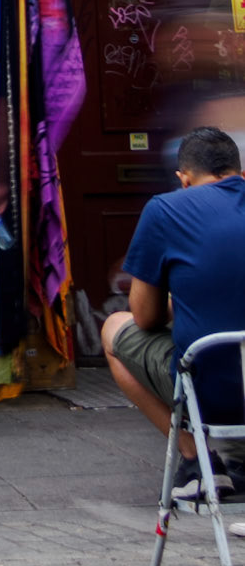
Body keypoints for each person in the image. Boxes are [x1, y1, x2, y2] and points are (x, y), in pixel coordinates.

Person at [102, 125, 245, 496]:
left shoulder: (166, 209)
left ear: (183, 179)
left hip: (217, 394)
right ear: (239, 172)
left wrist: (181, 298)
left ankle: (198, 461)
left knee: (113, 329)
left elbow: (146, 317)